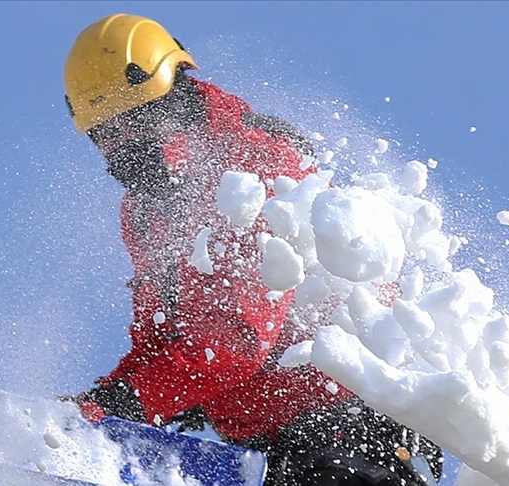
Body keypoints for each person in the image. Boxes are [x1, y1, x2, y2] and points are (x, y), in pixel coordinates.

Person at [63, 13, 444, 486]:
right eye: (104, 133)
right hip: (265, 446)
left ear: (169, 97)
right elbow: (160, 329)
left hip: (341, 429)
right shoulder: (145, 209)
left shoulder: (254, 161)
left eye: (130, 122)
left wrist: (136, 398)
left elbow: (240, 337)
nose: (119, 146)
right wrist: (109, 399)